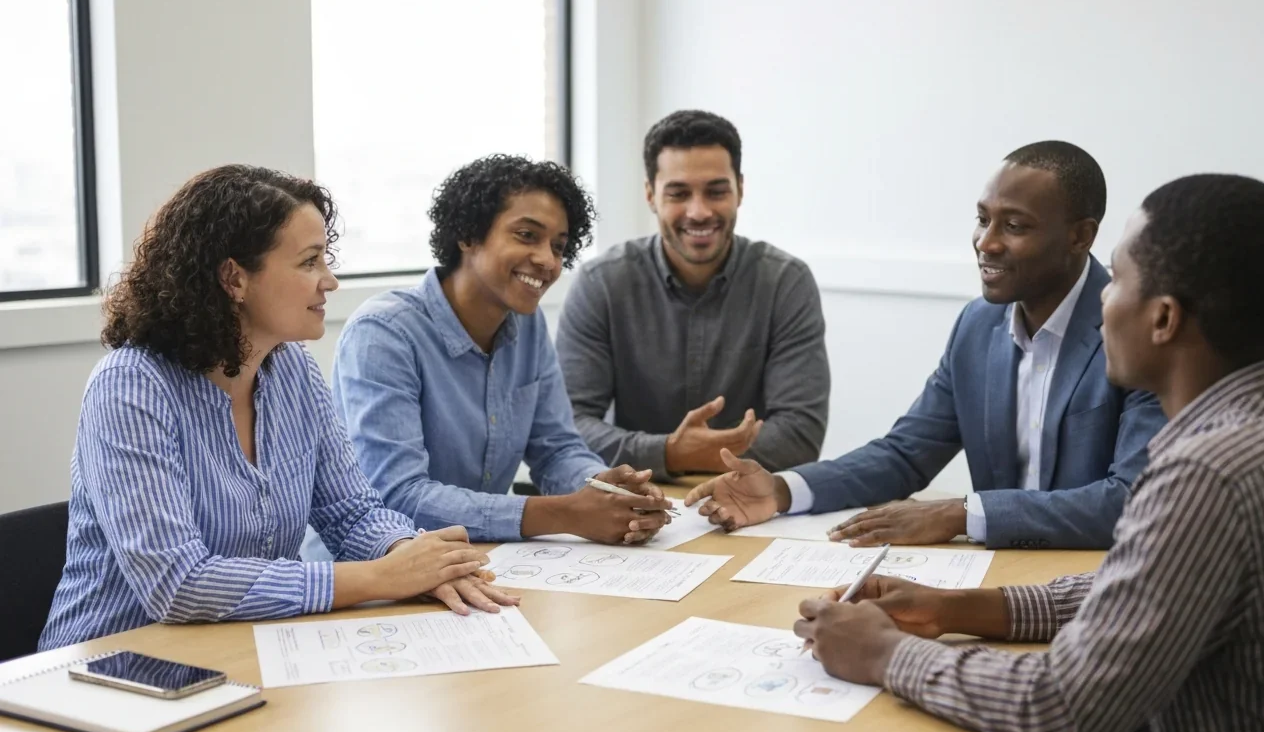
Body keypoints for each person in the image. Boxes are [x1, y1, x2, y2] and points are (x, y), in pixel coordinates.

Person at [794, 174, 1264, 732]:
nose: (1102, 299)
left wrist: (884, 654)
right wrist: (961, 608)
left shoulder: (1207, 476)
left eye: (1116, 279)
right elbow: (1152, 585)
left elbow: (1063, 710)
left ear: (1163, 318)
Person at [40, 165, 511, 651]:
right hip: (110, 663)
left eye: (325, 260)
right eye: (309, 262)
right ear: (234, 278)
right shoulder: (130, 387)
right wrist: (381, 577)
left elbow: (351, 513)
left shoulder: (293, 370)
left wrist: (414, 557)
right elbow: (177, 584)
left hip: (247, 649)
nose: (329, 281)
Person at [688, 141, 1165, 549]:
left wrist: (962, 514)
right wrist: (780, 490)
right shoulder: (977, 326)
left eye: (1015, 226)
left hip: (1093, 585)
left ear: (1080, 237)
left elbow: (1131, 499)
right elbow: (904, 455)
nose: (986, 242)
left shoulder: (1136, 333)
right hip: (995, 573)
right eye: (983, 219)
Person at [321, 155, 671, 549]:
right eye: (526, 235)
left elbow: (556, 450)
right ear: (468, 235)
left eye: (558, 246)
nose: (548, 260)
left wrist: (606, 490)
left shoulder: (528, 325)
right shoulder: (383, 334)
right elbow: (399, 497)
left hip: (477, 561)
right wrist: (566, 513)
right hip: (369, 568)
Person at [555, 109, 830, 477]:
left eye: (716, 192)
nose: (699, 212)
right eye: (679, 193)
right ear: (651, 195)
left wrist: (689, 455)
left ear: (740, 190)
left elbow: (801, 433)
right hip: (635, 495)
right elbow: (567, 425)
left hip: (748, 497)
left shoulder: (785, 282)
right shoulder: (601, 284)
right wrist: (669, 453)